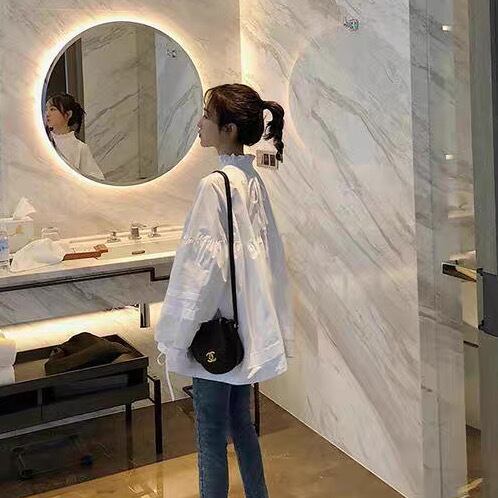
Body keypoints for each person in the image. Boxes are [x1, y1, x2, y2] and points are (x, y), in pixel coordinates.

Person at [155, 83, 294, 498]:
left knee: (210, 434)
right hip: (243, 331)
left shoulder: (214, 186)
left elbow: (200, 273)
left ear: (228, 129)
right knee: (241, 426)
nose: (199, 123)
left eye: (207, 117)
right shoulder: (251, 179)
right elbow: (264, 260)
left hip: (215, 334)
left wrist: (177, 334)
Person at [45, 93, 105, 180]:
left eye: (52, 109)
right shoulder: (42, 141)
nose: (47, 113)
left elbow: (96, 178)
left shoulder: (80, 148)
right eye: (46, 109)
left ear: (68, 114)